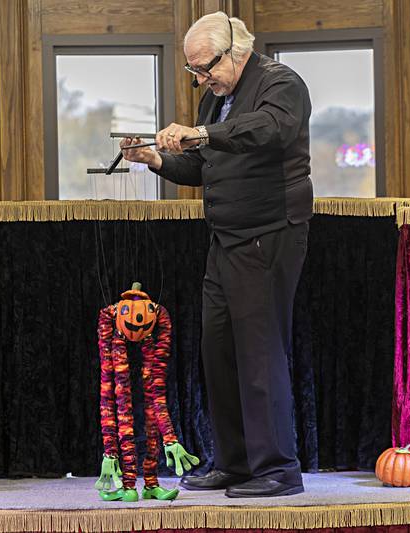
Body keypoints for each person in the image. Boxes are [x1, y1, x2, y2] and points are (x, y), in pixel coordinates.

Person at [120, 11, 312, 498]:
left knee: (260, 353)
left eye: (206, 68)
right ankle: (235, 462)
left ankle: (278, 469)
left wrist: (199, 133)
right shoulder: (215, 99)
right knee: (219, 352)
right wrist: (156, 159)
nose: (202, 80)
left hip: (269, 235)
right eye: (194, 73)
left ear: (236, 50)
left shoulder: (280, 84)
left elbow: (267, 131)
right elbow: (202, 168)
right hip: (225, 239)